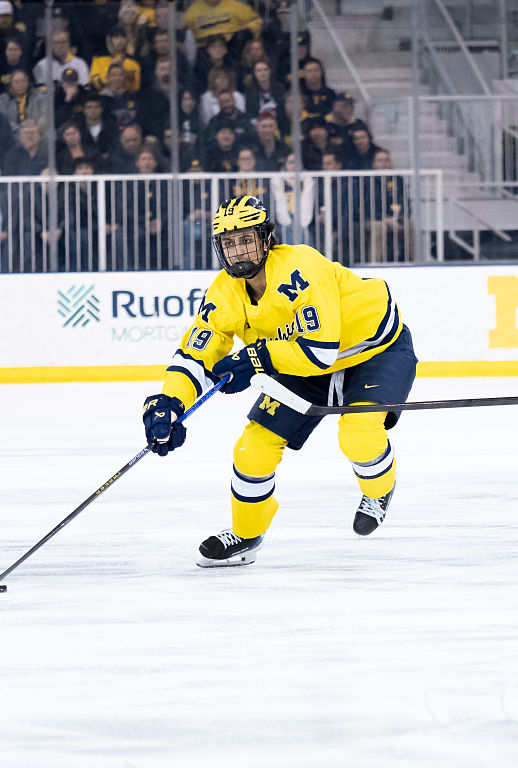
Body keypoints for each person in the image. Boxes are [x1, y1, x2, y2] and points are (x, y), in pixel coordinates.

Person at [140, 195, 417, 566]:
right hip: (299, 363)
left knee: (358, 434)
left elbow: (321, 351)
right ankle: (246, 534)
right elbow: (195, 355)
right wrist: (169, 403)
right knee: (251, 449)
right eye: (229, 242)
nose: (238, 251)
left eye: (246, 239)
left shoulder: (300, 267)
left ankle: (379, 491)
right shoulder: (223, 293)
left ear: (266, 238)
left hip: (374, 350)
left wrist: (255, 358)